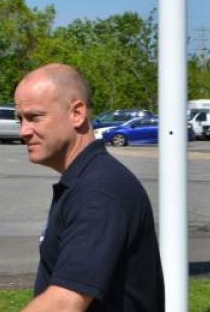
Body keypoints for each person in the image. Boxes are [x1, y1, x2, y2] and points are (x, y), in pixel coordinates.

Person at [14, 63, 164, 312]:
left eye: (34, 117)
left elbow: (64, 303)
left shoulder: (98, 192)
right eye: (20, 119)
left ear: (77, 113)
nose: (24, 131)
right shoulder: (86, 181)